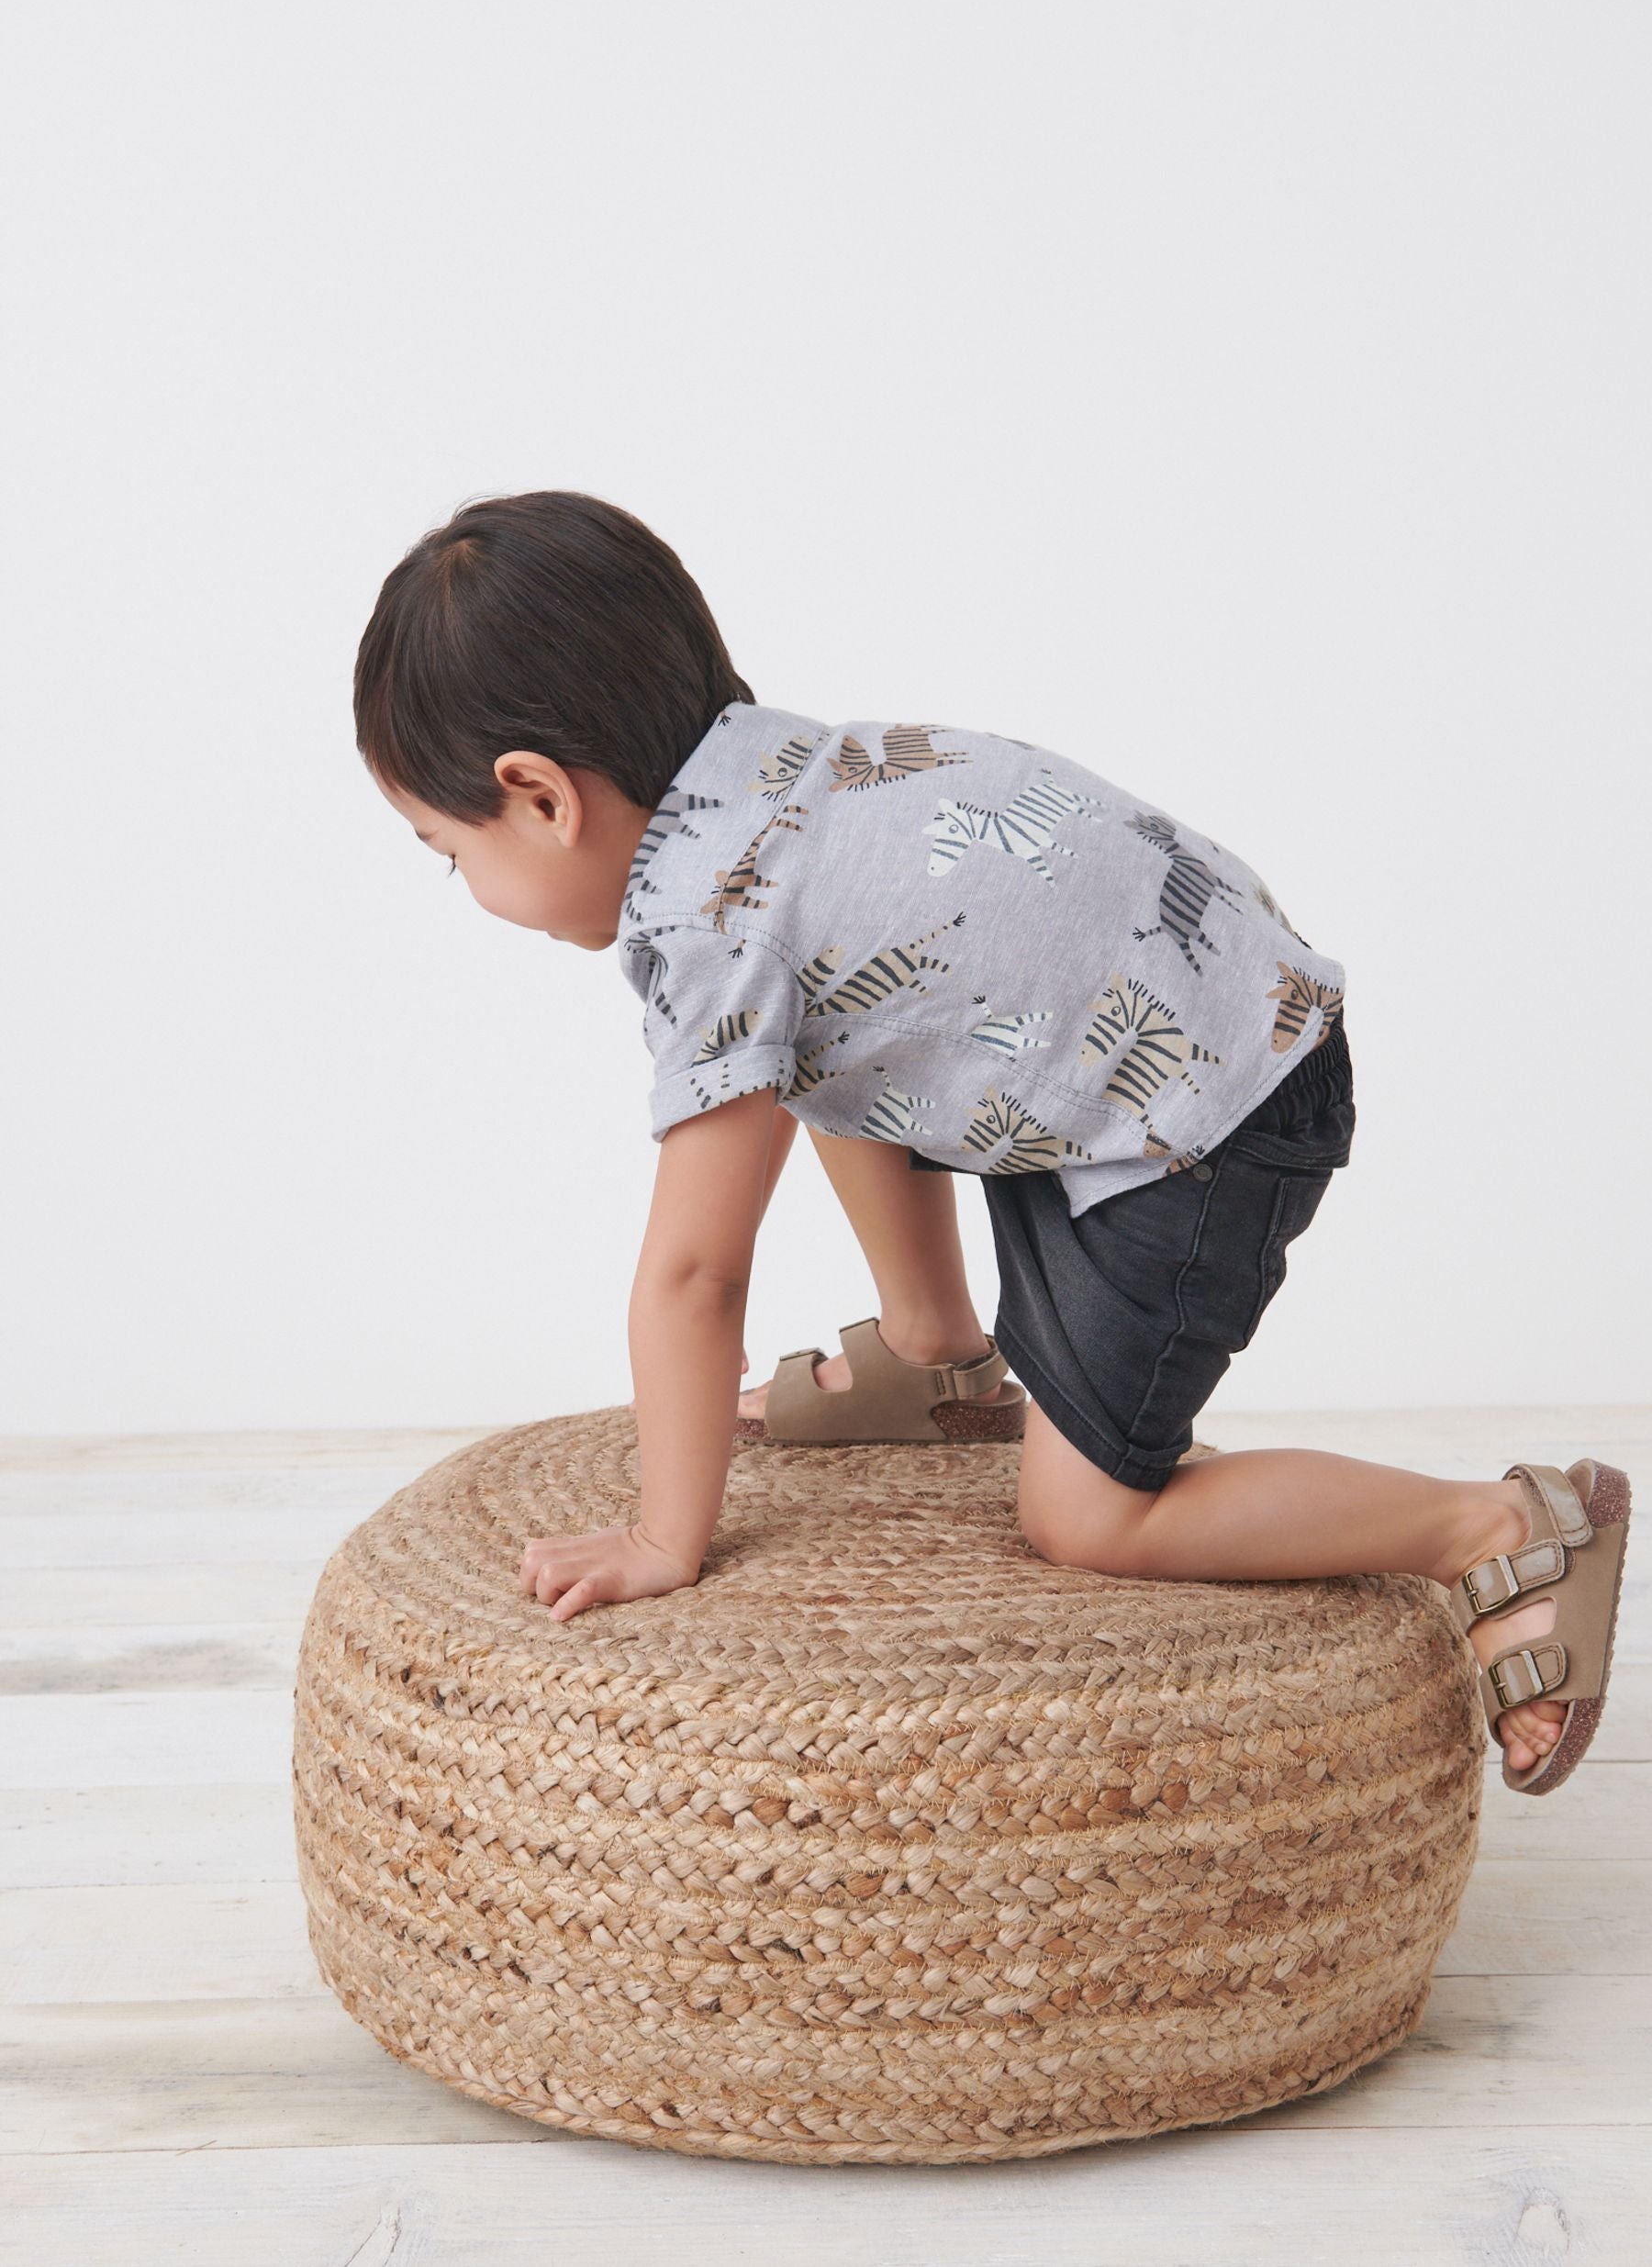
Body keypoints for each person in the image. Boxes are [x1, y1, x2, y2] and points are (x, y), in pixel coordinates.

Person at [353, 489, 1630, 1797]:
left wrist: (663, 1536)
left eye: (447, 852)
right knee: (836, 1044)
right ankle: (933, 1345)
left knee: (1085, 1518)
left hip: (1205, 1120)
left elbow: (696, 1276)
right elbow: (853, 1049)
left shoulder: (712, 924)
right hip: (1171, 1023)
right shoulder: (774, 771)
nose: (463, 884)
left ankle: (1500, 1525)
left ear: (540, 798)